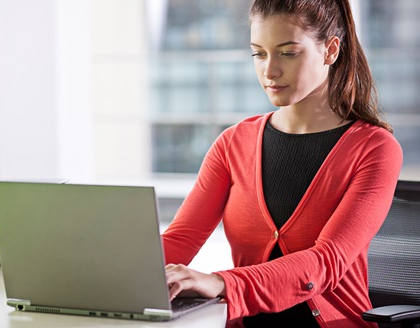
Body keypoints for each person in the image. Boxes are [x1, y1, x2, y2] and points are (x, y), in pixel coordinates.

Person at [161, 0, 403, 327]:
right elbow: (180, 240)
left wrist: (222, 283)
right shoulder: (233, 144)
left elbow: (327, 262)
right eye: (259, 54)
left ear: (330, 50)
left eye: (288, 53)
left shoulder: (374, 148)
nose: (269, 70)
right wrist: (98, 275)